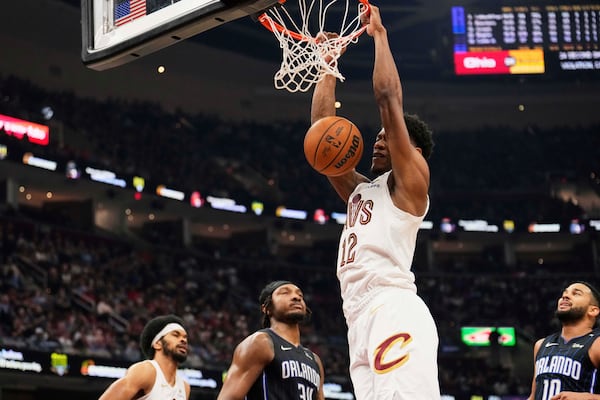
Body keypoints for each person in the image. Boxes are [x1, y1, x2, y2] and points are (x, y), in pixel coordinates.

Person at [310, 4, 440, 399]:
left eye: (389, 137)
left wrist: (379, 37)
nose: (378, 139)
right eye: (379, 136)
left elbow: (387, 99)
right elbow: (321, 134)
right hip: (358, 316)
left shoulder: (411, 186)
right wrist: (327, 67)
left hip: (392, 307)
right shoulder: (363, 189)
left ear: (412, 150)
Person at [217, 280, 325, 400]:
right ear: (266, 308)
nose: (296, 297)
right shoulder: (260, 342)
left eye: (300, 295)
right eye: (285, 293)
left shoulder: (315, 360)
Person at [528, 281, 600, 399]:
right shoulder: (541, 345)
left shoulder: (597, 343)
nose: (565, 296)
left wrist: (587, 397)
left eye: (576, 293)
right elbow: (533, 397)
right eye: (564, 293)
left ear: (593, 310)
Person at [98, 314, 190, 400]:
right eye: (175, 335)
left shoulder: (185, 387)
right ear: (157, 344)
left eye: (185, 337)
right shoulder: (146, 371)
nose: (183, 340)